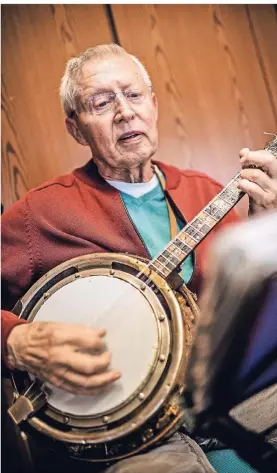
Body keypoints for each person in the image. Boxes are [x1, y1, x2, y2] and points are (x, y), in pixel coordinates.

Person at [1, 43, 277, 473]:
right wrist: (15, 341)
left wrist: (265, 227)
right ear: (75, 129)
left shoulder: (204, 189)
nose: (125, 112)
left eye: (133, 95)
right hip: (127, 433)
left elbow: (248, 319)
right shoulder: (39, 215)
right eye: (101, 102)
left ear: (154, 105)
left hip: (224, 394)